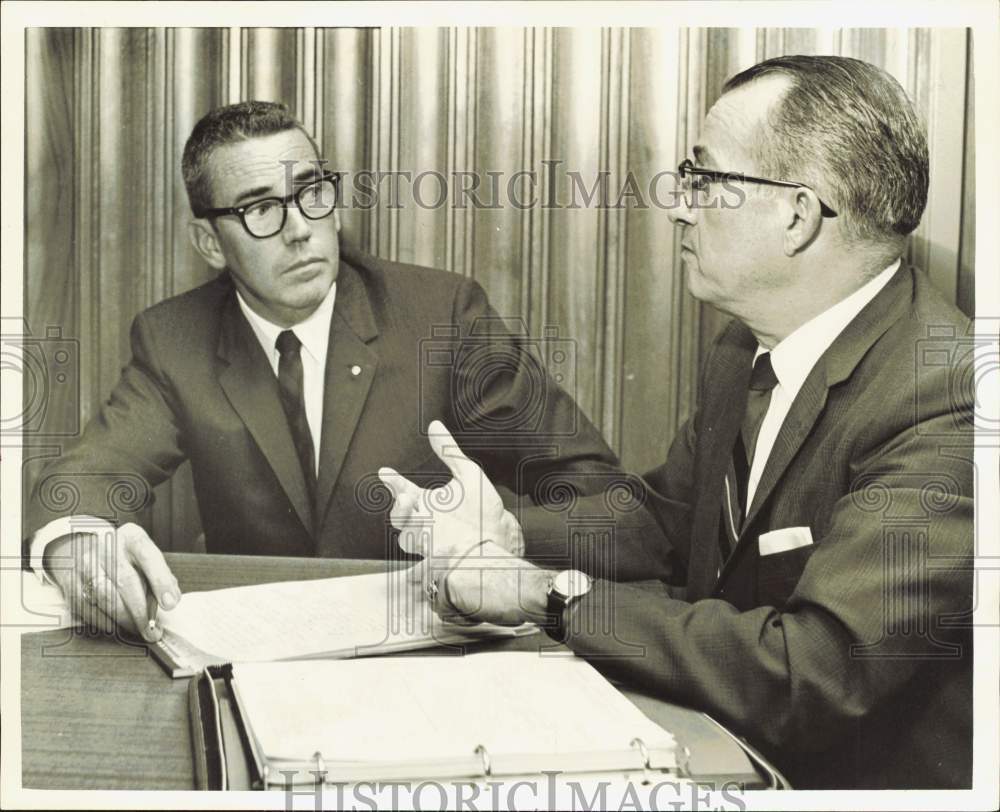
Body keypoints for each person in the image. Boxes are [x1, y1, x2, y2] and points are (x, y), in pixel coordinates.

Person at [381, 56, 974, 789]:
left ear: (797, 213)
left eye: (704, 178)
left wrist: (540, 594)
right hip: (718, 749)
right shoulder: (746, 345)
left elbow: (813, 671)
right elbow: (668, 522)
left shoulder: (950, 399)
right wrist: (506, 531)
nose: (680, 206)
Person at [22, 101, 653, 644]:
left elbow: (610, 503)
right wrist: (77, 545)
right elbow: (81, 478)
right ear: (210, 243)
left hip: (435, 647)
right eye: (260, 210)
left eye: (311, 193)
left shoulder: (443, 316)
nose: (299, 229)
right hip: (260, 656)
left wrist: (506, 537)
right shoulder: (175, 339)